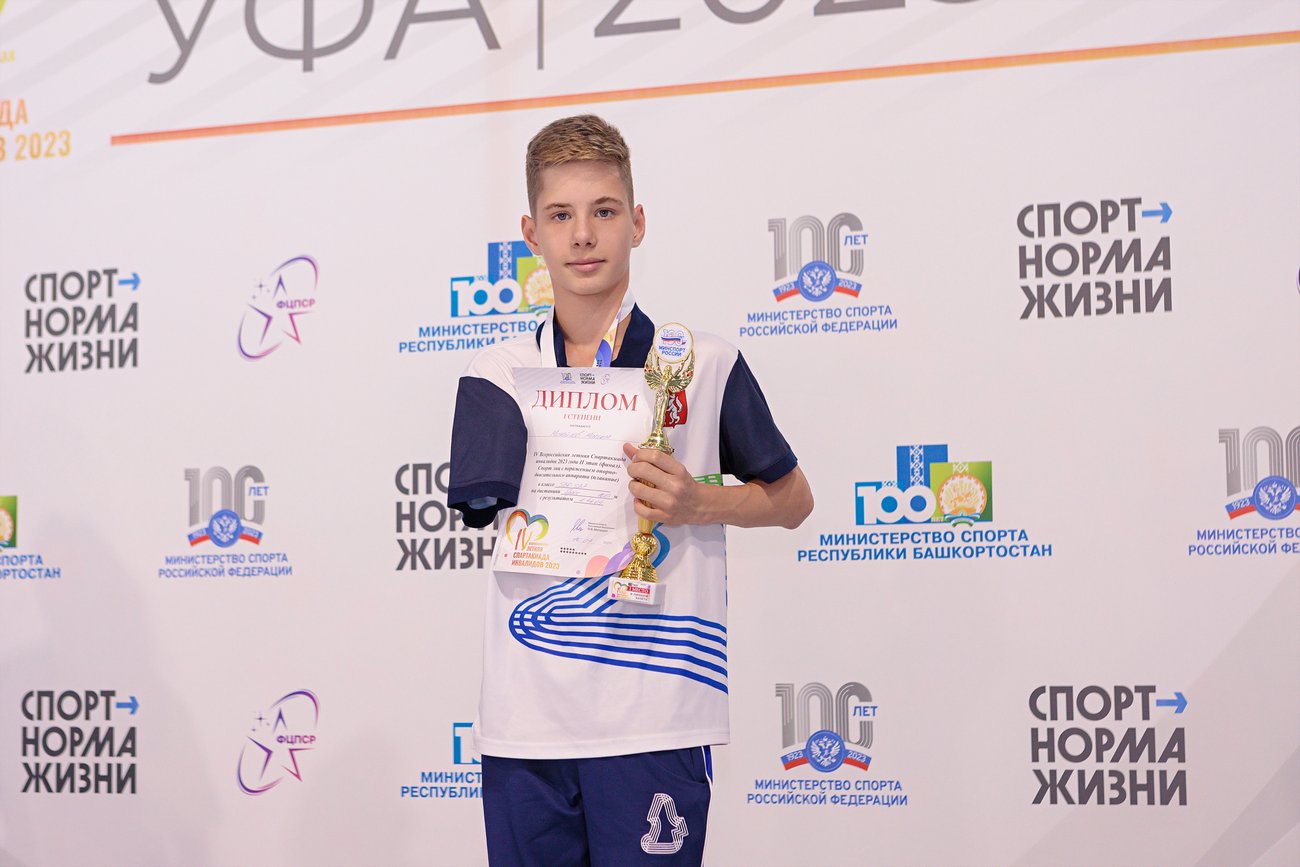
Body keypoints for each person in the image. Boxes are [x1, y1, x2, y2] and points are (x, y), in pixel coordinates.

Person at [448, 114, 813, 866]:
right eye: (560, 215)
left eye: (604, 211)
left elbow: (793, 499)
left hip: (656, 717)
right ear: (531, 233)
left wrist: (701, 502)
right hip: (527, 723)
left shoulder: (702, 363)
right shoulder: (498, 373)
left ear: (637, 223)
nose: (583, 235)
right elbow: (482, 502)